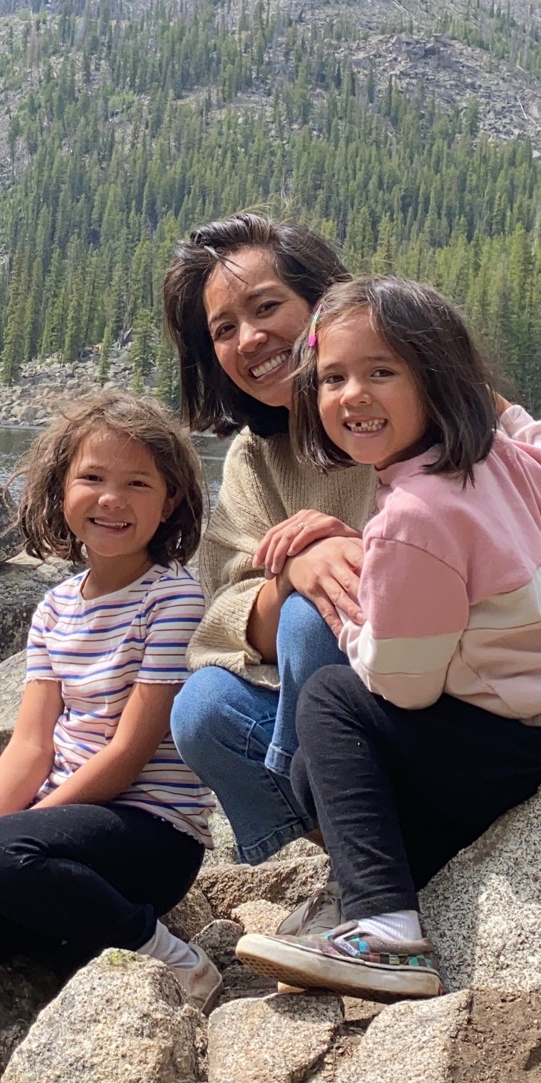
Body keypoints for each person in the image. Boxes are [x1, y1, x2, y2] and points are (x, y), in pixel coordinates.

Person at [235, 276, 541, 1001]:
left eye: (381, 371)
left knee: (330, 703)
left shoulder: (412, 515)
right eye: (333, 377)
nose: (353, 394)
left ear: (437, 379)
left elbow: (404, 684)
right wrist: (501, 410)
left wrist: (348, 613)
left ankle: (385, 932)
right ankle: (407, 883)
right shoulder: (496, 456)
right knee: (314, 772)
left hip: (528, 738)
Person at [0, 392, 221, 1008]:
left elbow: (128, 752)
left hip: (150, 832)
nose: (111, 499)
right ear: (61, 489)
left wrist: (14, 836)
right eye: (92, 478)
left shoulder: (174, 599)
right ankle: (78, 927)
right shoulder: (55, 607)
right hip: (62, 825)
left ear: (170, 501)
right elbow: (30, 744)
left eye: (137, 483)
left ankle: (170, 957)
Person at [160, 214, 373, 897]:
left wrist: (342, 556)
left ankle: (372, 873)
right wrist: (293, 573)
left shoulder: (394, 404)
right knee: (204, 708)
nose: (249, 338)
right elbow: (223, 618)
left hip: (441, 689)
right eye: (223, 329)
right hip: (340, 722)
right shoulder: (255, 457)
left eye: (266, 306)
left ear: (322, 302)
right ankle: (362, 858)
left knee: (312, 621)